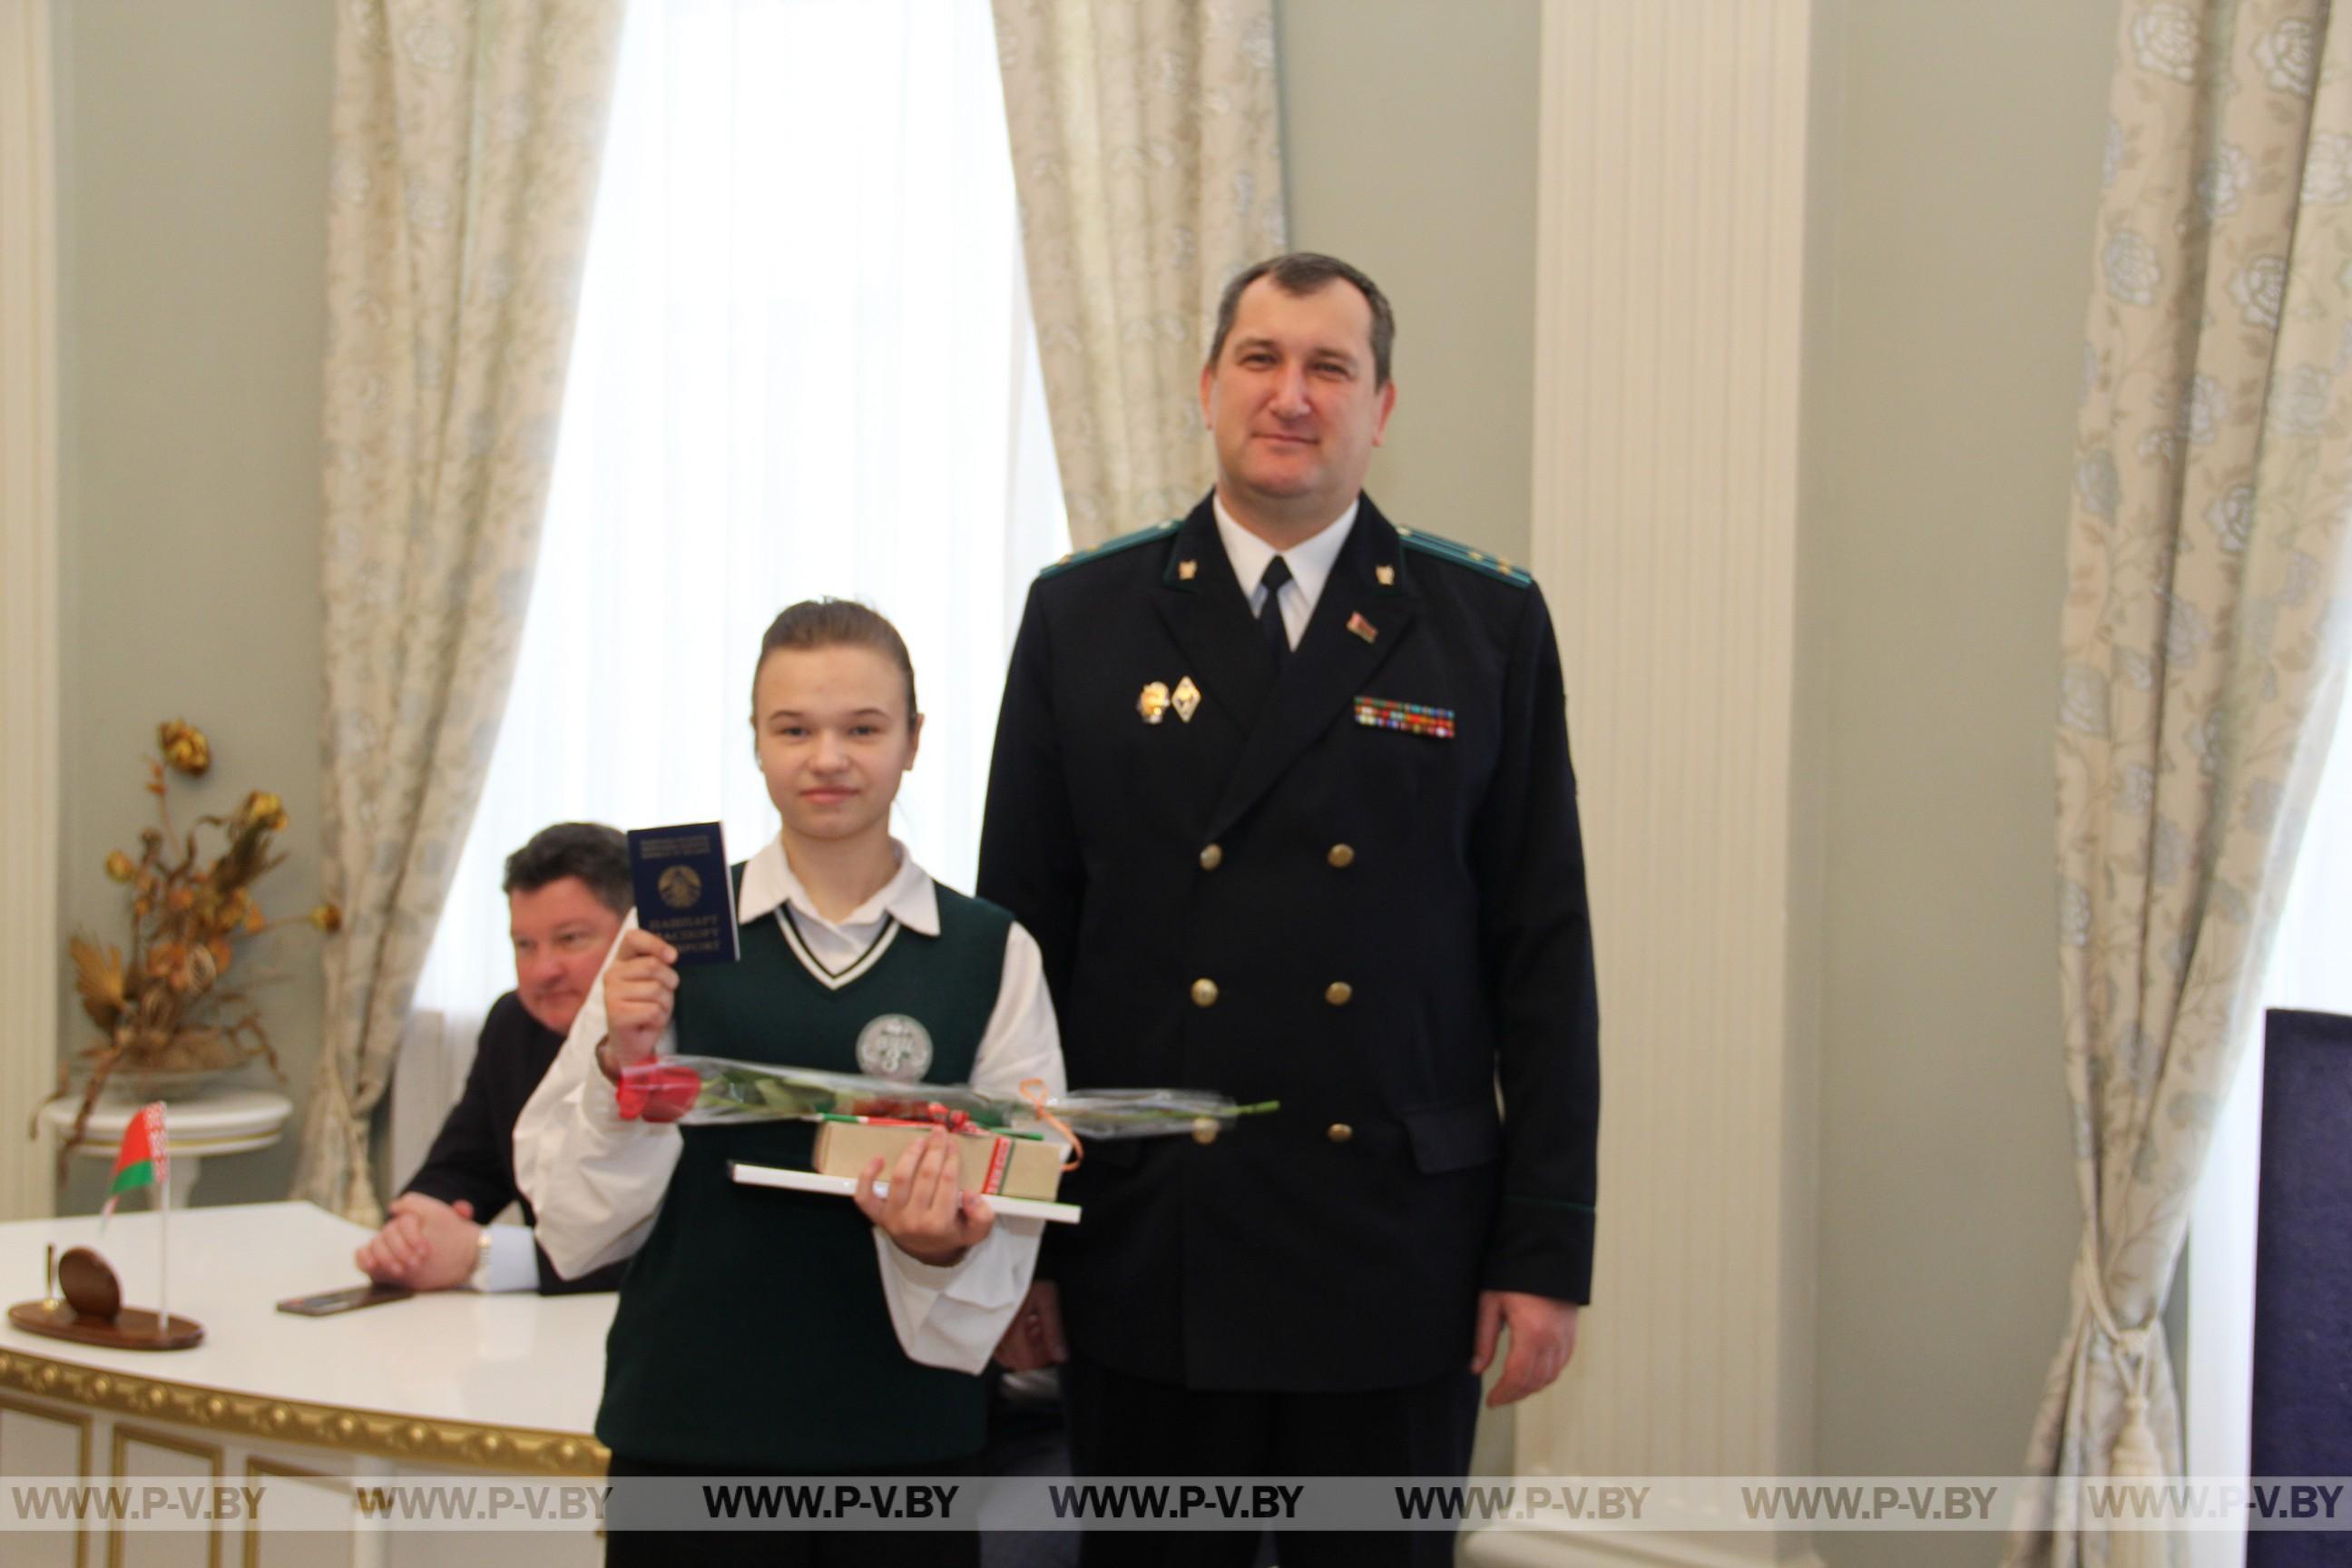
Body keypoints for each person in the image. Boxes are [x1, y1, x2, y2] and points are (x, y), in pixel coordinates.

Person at [977, 252, 1600, 1567]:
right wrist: (1020, 1243)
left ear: (1382, 407)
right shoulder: (1082, 617)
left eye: (1331, 366)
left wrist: (1544, 1253)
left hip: (1396, 1247)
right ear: (1207, 387)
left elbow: (1541, 955)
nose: (1292, 395)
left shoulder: (1483, 623)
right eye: (1261, 359)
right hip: (1151, 1240)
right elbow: (1019, 956)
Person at [516, 599, 1063, 1568]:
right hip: (687, 1438)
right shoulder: (673, 930)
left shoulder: (989, 952)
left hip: (901, 1448)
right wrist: (620, 1062)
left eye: (863, 728)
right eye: (794, 729)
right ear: (757, 745)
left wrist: (940, 1247)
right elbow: (576, 1220)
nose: (829, 759)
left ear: (913, 742)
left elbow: (1021, 1197)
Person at [354, 822, 632, 1294]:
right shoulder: (514, 1024)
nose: (543, 970)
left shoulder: (695, 1030)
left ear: (634, 934)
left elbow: (677, 1243)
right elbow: (462, 1168)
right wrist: (413, 1228)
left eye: (570, 939)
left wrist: (483, 1253)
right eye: (524, 945)